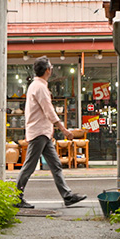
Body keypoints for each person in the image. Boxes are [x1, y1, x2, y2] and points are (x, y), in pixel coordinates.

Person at [15, 56, 87, 208]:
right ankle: (16, 197)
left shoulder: (37, 85)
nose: (52, 69)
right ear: (47, 70)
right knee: (29, 166)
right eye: (51, 66)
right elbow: (49, 111)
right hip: (39, 133)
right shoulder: (39, 87)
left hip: (43, 133)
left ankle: (67, 196)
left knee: (55, 165)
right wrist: (64, 130)